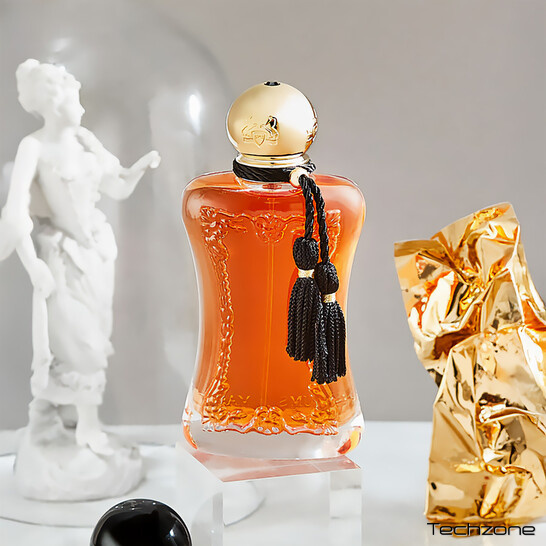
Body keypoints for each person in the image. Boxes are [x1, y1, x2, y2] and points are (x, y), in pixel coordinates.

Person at [0, 59, 160, 455]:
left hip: (97, 254)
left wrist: (138, 170)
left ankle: (75, 421)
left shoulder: (86, 140)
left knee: (96, 338)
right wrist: (33, 265)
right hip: (62, 257)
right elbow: (16, 213)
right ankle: (79, 425)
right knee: (76, 342)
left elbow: (116, 188)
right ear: (54, 102)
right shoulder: (34, 147)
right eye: (75, 98)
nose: (83, 106)